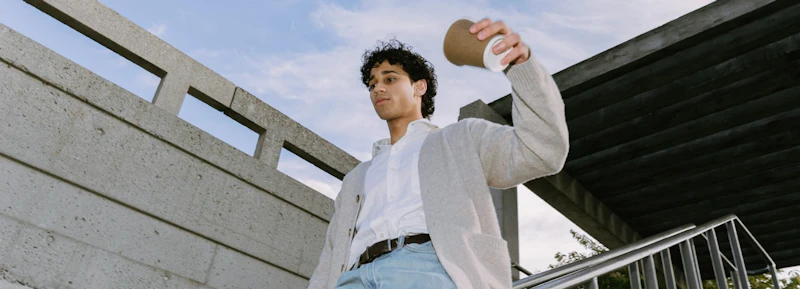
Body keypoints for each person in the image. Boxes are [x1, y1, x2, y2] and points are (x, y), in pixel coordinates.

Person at [307, 18, 569, 289]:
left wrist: (520, 67)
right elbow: (329, 255)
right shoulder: (356, 178)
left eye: (390, 79)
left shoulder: (460, 139)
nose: (378, 88)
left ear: (419, 87)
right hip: (353, 278)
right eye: (372, 84)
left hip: (430, 269)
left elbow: (542, 151)